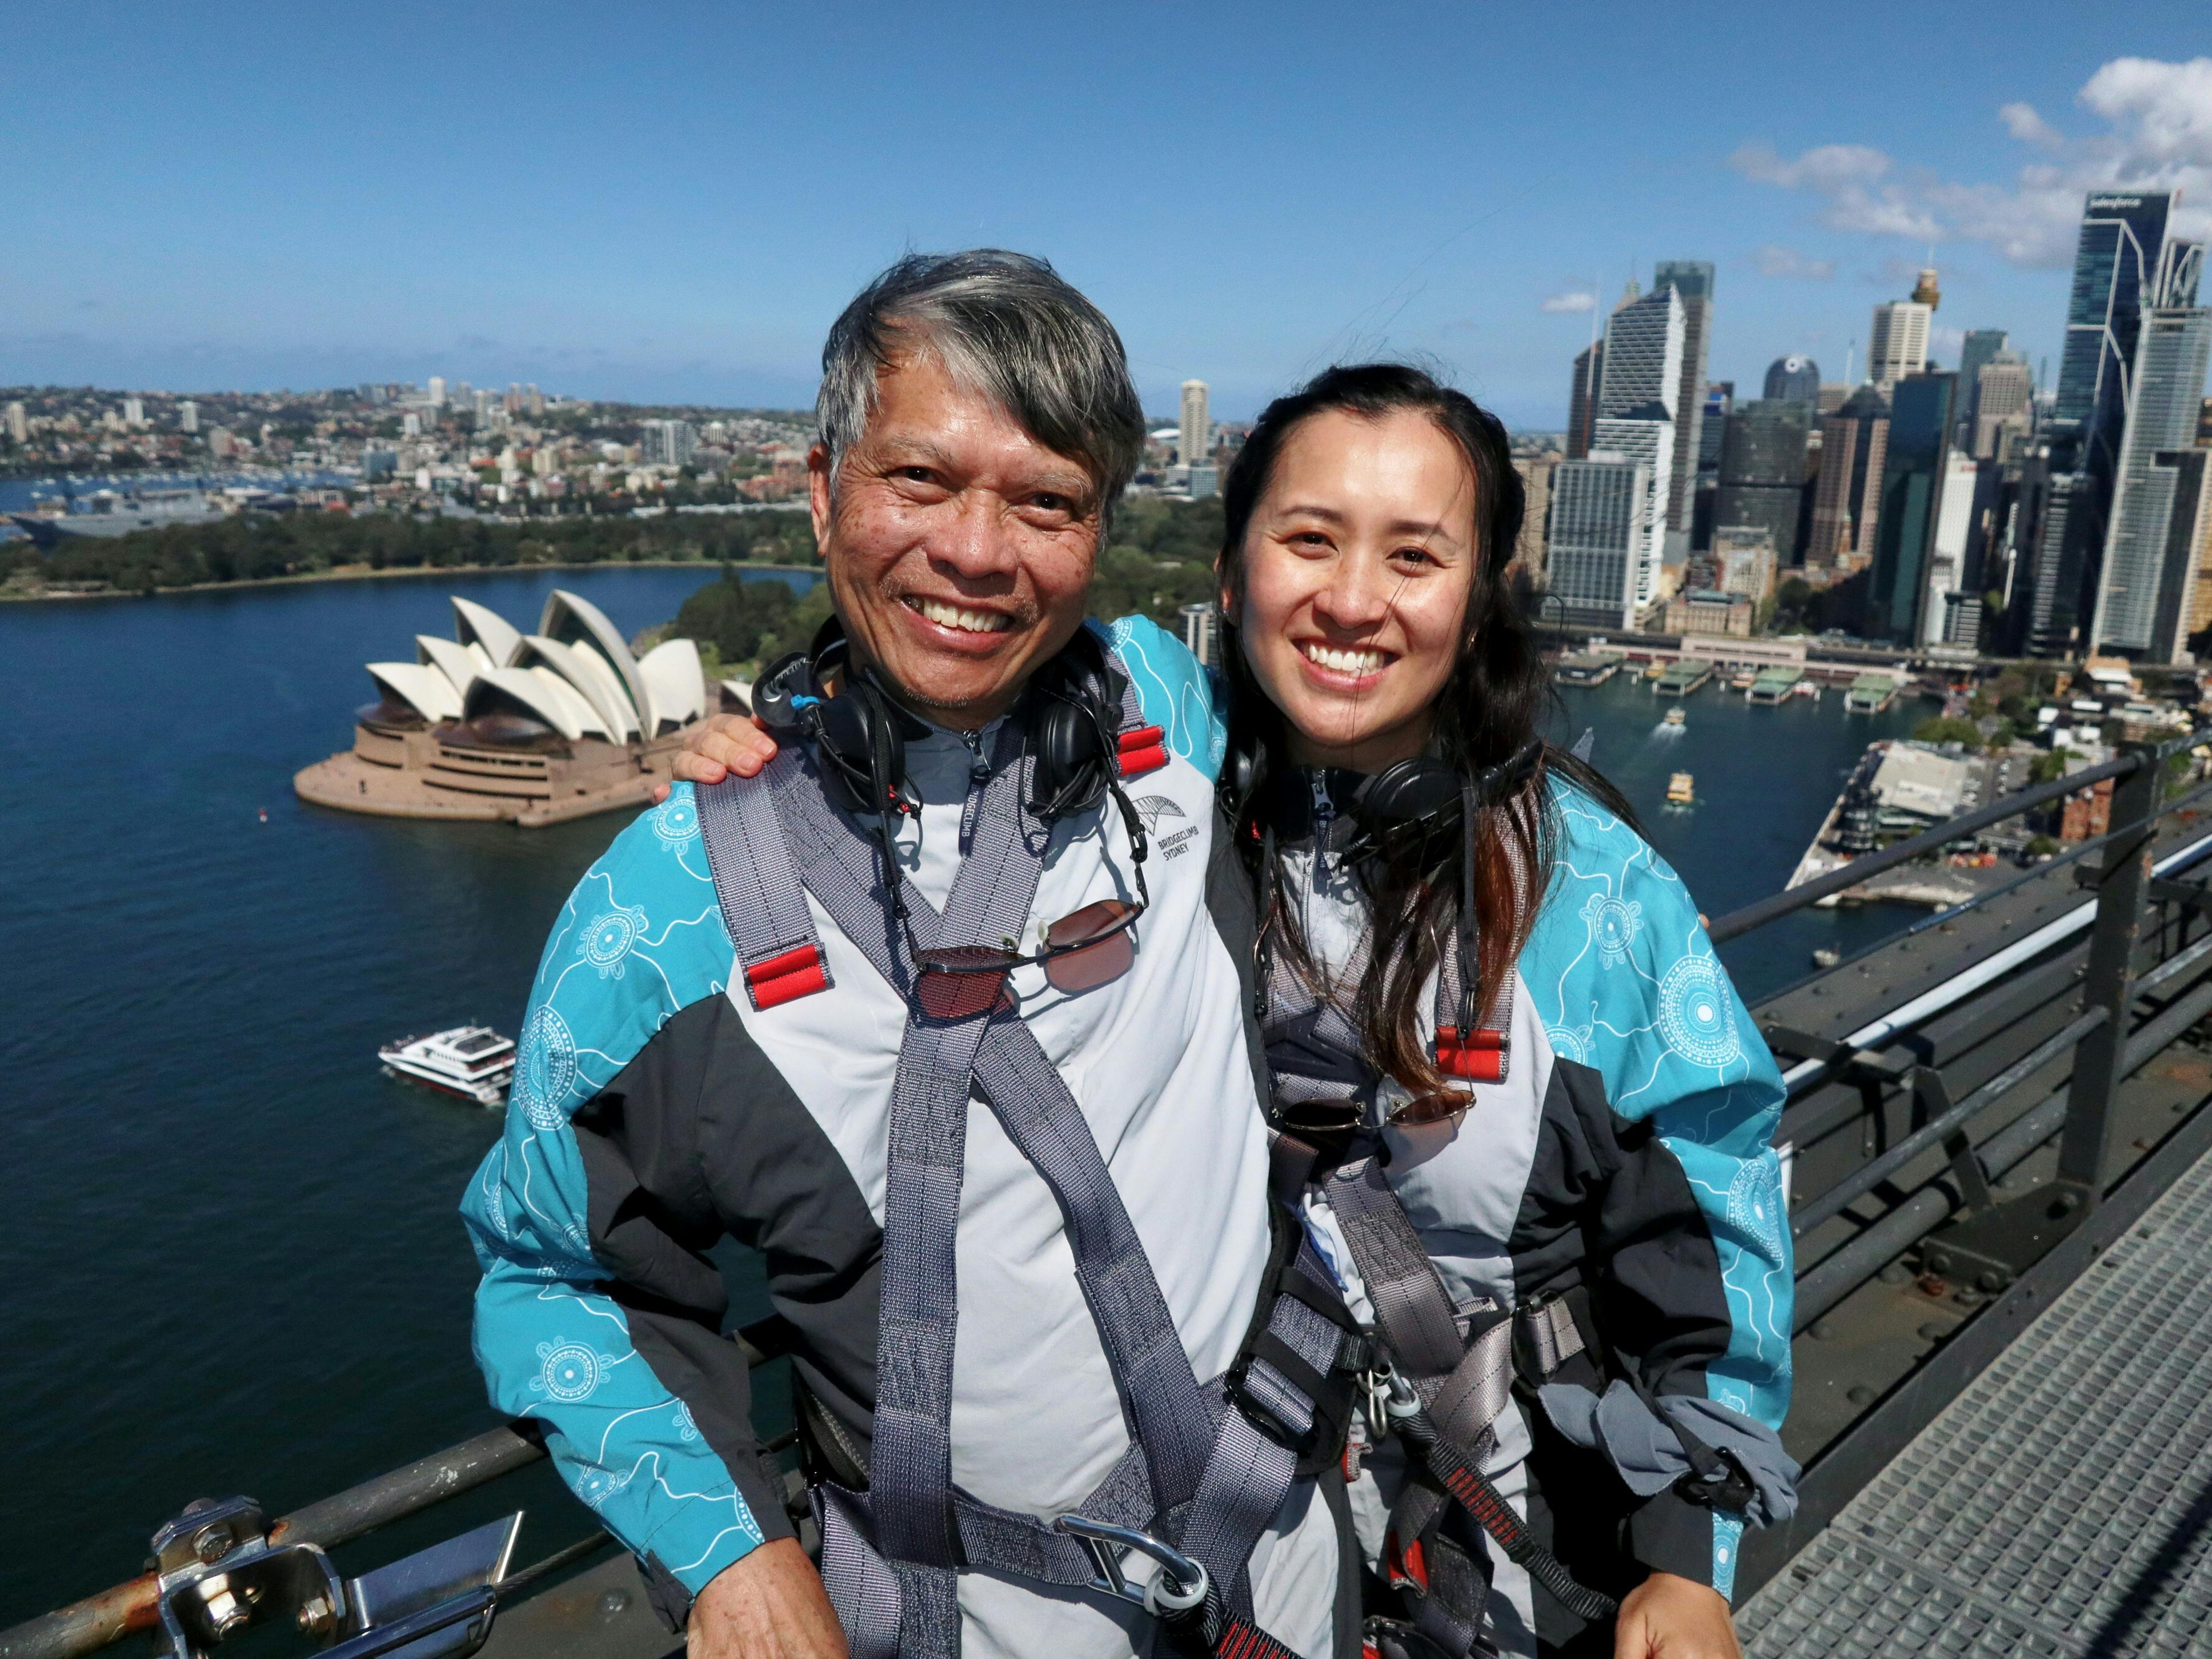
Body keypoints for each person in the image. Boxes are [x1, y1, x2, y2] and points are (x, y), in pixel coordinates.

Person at [672, 366, 1794, 1659]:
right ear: (1229, 574)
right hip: (1235, 1526)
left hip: (1515, 1526)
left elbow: (1709, 1211)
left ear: (1477, 602)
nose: (1352, 600)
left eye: (1414, 557)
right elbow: (967, 644)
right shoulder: (1149, 798)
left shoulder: (1587, 901)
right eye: (1307, 540)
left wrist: (1685, 1559)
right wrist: (787, 757)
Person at [462, 251, 1363, 1659]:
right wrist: (734, 1557)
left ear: (1102, 531)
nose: (979, 554)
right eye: (921, 482)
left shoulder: (1170, 713)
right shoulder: (669, 912)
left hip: (1294, 1572)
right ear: (822, 491)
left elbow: (1407, 715)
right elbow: (545, 1272)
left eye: (1048, 503)